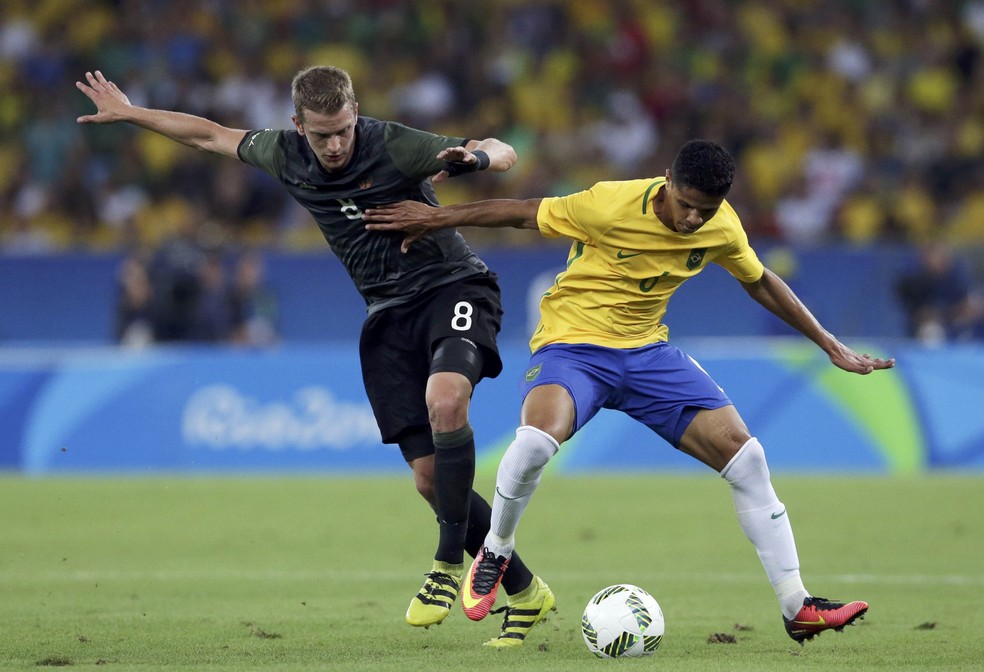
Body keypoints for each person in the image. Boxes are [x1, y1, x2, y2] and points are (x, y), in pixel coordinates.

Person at [76, 66, 555, 647]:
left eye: (344, 131)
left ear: (356, 116)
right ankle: (527, 593)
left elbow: (498, 152)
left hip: (452, 287)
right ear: (299, 126)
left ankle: (447, 562)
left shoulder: (395, 145)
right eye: (323, 134)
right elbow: (208, 134)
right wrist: (133, 113)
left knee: (446, 397)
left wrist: (476, 160)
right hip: (387, 315)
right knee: (431, 480)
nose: (335, 145)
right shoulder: (284, 153)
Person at [364, 139, 896, 644]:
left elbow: (758, 280)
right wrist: (436, 217)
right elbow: (524, 211)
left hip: (647, 355)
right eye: (687, 206)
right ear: (667, 182)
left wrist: (827, 342)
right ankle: (496, 552)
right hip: (573, 346)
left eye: (705, 212)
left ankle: (796, 606)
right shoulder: (609, 203)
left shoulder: (722, 228)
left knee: (747, 456)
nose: (693, 220)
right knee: (533, 442)